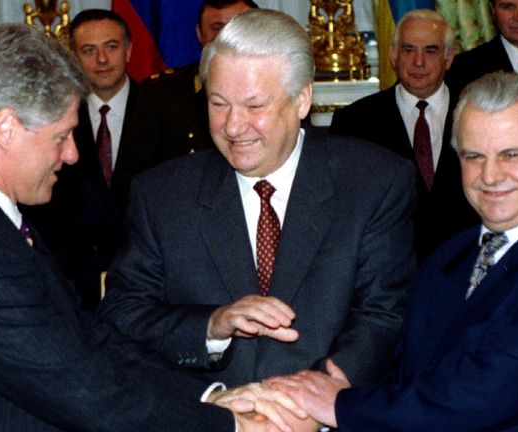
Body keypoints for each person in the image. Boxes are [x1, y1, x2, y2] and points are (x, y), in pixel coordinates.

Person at [0, 23, 303, 431]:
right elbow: (89, 393)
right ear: (6, 128)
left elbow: (92, 340)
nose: (70, 155)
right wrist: (231, 426)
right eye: (62, 136)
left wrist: (208, 397)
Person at [266, 72, 518, 430]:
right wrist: (317, 389)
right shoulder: (448, 257)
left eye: (511, 155)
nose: (490, 177)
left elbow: (482, 394)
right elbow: (403, 372)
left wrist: (340, 406)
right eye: (474, 156)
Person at [99, 8, 416, 390]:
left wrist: (315, 396)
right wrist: (211, 326)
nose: (233, 126)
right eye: (218, 104)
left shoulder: (373, 182)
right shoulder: (162, 195)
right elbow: (121, 315)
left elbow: (384, 315)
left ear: (301, 100)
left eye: (254, 106)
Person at [329, 9, 476, 260]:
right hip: (388, 274)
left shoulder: (477, 116)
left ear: (449, 58)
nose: (418, 62)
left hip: (467, 270)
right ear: (393, 55)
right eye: (408, 50)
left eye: (430, 51)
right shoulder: (354, 122)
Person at [21, 9, 138, 310]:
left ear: (129, 50)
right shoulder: (50, 118)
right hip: (71, 287)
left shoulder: (163, 111)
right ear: (72, 56)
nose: (101, 59)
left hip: (144, 283)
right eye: (89, 50)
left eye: (111, 47)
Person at [115, 0, 259, 204]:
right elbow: (133, 183)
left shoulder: (281, 86)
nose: (227, 39)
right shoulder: (159, 94)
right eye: (217, 29)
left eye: (237, 29)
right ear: (199, 34)